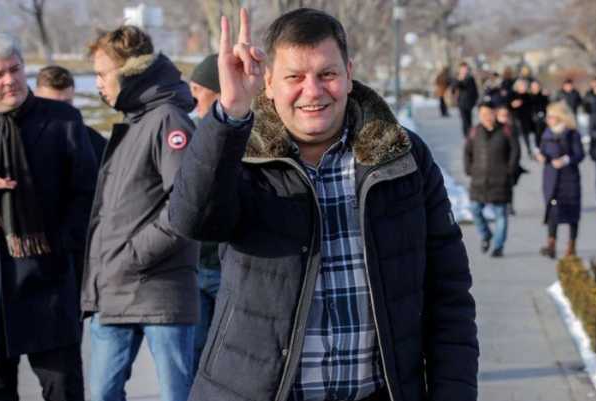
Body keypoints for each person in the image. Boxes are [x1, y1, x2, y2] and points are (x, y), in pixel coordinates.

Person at [170, 8, 478, 401]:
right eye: (294, 77)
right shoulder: (240, 153)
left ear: (348, 74)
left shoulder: (401, 156)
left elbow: (448, 292)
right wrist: (229, 117)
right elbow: (193, 221)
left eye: (327, 74)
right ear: (269, 83)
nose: (313, 91)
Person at [80, 26, 200, 401]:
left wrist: (133, 256)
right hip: (114, 291)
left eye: (102, 74)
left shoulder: (168, 120)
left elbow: (186, 206)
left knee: (176, 394)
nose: (98, 84)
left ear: (129, 71)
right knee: (102, 393)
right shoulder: (133, 124)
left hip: (161, 292)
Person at [0, 33, 97, 401]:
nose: (10, 80)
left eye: (15, 70)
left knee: (63, 388)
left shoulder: (62, 119)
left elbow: (88, 193)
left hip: (48, 279)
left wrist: (63, 244)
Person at [187, 53, 226, 376]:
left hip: (227, 267)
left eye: (198, 90)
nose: (193, 99)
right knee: (195, 355)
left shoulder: (247, 135)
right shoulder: (189, 132)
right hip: (195, 265)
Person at [464, 101, 519, 257]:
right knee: (475, 209)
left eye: (489, 113)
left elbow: (515, 151)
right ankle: (485, 234)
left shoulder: (506, 130)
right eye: (483, 114)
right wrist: (469, 169)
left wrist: (509, 170)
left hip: (500, 180)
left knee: (500, 214)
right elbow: (467, 152)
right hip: (479, 179)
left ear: (495, 113)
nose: (486, 117)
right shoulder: (475, 131)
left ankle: (498, 246)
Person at [536, 101, 584, 259]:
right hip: (551, 177)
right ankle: (551, 244)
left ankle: (572, 246)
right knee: (552, 211)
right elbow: (542, 151)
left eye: (551, 116)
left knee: (572, 212)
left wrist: (565, 160)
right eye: (548, 117)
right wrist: (541, 157)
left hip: (569, 178)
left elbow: (579, 154)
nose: (548, 119)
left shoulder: (572, 134)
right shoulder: (546, 134)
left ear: (560, 117)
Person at [35, 65, 107, 162]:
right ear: (36, 96)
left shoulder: (94, 142)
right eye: (51, 103)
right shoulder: (21, 139)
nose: (60, 111)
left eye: (66, 103)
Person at [496, 104, 526, 216]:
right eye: (501, 115)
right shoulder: (494, 128)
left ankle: (509, 205)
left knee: (509, 186)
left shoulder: (512, 129)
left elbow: (516, 149)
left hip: (509, 163)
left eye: (506, 115)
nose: (504, 118)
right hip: (496, 162)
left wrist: (512, 164)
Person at [508, 79, 533, 156]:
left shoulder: (528, 95)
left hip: (525, 119)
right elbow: (507, 105)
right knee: (515, 136)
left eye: (525, 86)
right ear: (517, 86)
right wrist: (512, 105)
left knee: (526, 136)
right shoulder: (512, 94)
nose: (524, 87)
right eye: (522, 86)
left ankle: (529, 150)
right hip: (515, 119)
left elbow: (531, 106)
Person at [453, 61, 479, 137]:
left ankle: (470, 135)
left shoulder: (470, 78)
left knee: (469, 120)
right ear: (460, 69)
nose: (464, 70)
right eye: (463, 69)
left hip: (469, 102)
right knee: (464, 120)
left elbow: (475, 90)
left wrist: (475, 100)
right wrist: (460, 79)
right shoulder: (457, 78)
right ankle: (466, 135)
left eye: (466, 69)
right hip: (461, 102)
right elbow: (455, 87)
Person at [529, 80, 549, 148]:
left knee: (545, 133)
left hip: (544, 117)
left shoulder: (543, 96)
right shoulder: (529, 97)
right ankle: (538, 147)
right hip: (533, 119)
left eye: (537, 86)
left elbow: (547, 105)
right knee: (537, 134)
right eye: (533, 87)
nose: (535, 88)